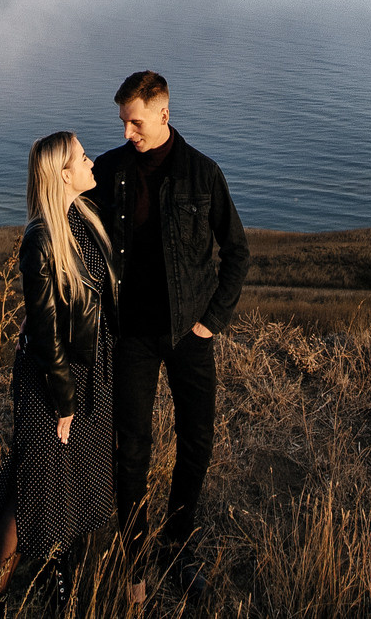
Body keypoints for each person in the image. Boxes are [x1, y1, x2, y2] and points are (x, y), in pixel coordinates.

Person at [95, 70, 249, 605]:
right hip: (131, 333)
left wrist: (210, 322)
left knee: (196, 444)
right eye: (123, 123)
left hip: (190, 333)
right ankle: (134, 563)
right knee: (131, 449)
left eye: (134, 123)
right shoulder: (110, 171)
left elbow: (237, 253)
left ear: (163, 113)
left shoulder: (203, 175)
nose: (127, 134)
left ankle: (177, 550)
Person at [0, 131, 117, 614]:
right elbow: (45, 336)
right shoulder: (41, 238)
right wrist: (64, 402)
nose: (91, 160)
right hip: (53, 377)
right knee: (35, 479)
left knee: (74, 475)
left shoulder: (83, 219)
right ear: (63, 174)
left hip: (90, 366)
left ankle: (62, 580)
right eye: (82, 157)